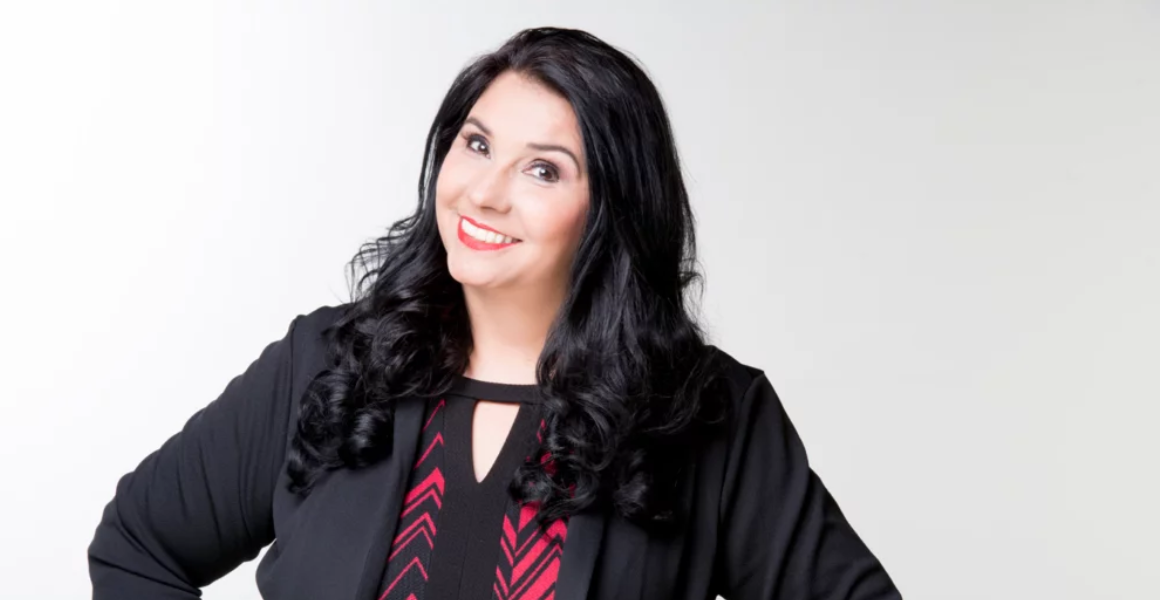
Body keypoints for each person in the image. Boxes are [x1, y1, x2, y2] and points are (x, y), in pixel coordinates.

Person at [88, 27, 900, 600]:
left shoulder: (709, 415)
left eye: (543, 170)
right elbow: (139, 545)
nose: (484, 192)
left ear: (611, 211)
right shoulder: (327, 362)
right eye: (476, 145)